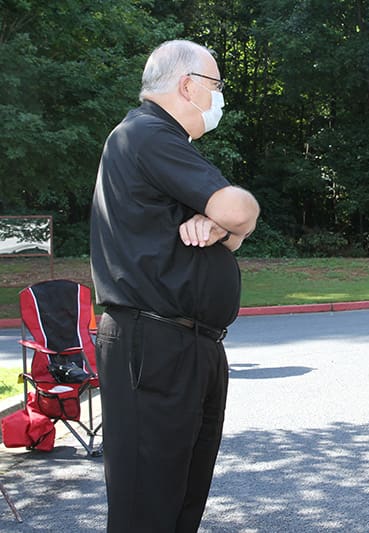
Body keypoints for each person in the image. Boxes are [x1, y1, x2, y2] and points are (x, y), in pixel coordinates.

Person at [90, 40, 260, 531]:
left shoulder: (159, 146)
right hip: (157, 343)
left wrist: (222, 227)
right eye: (216, 86)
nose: (219, 98)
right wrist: (230, 221)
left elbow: (231, 232)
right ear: (188, 86)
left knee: (181, 499)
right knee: (149, 507)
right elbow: (242, 210)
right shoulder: (148, 135)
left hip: (186, 344)